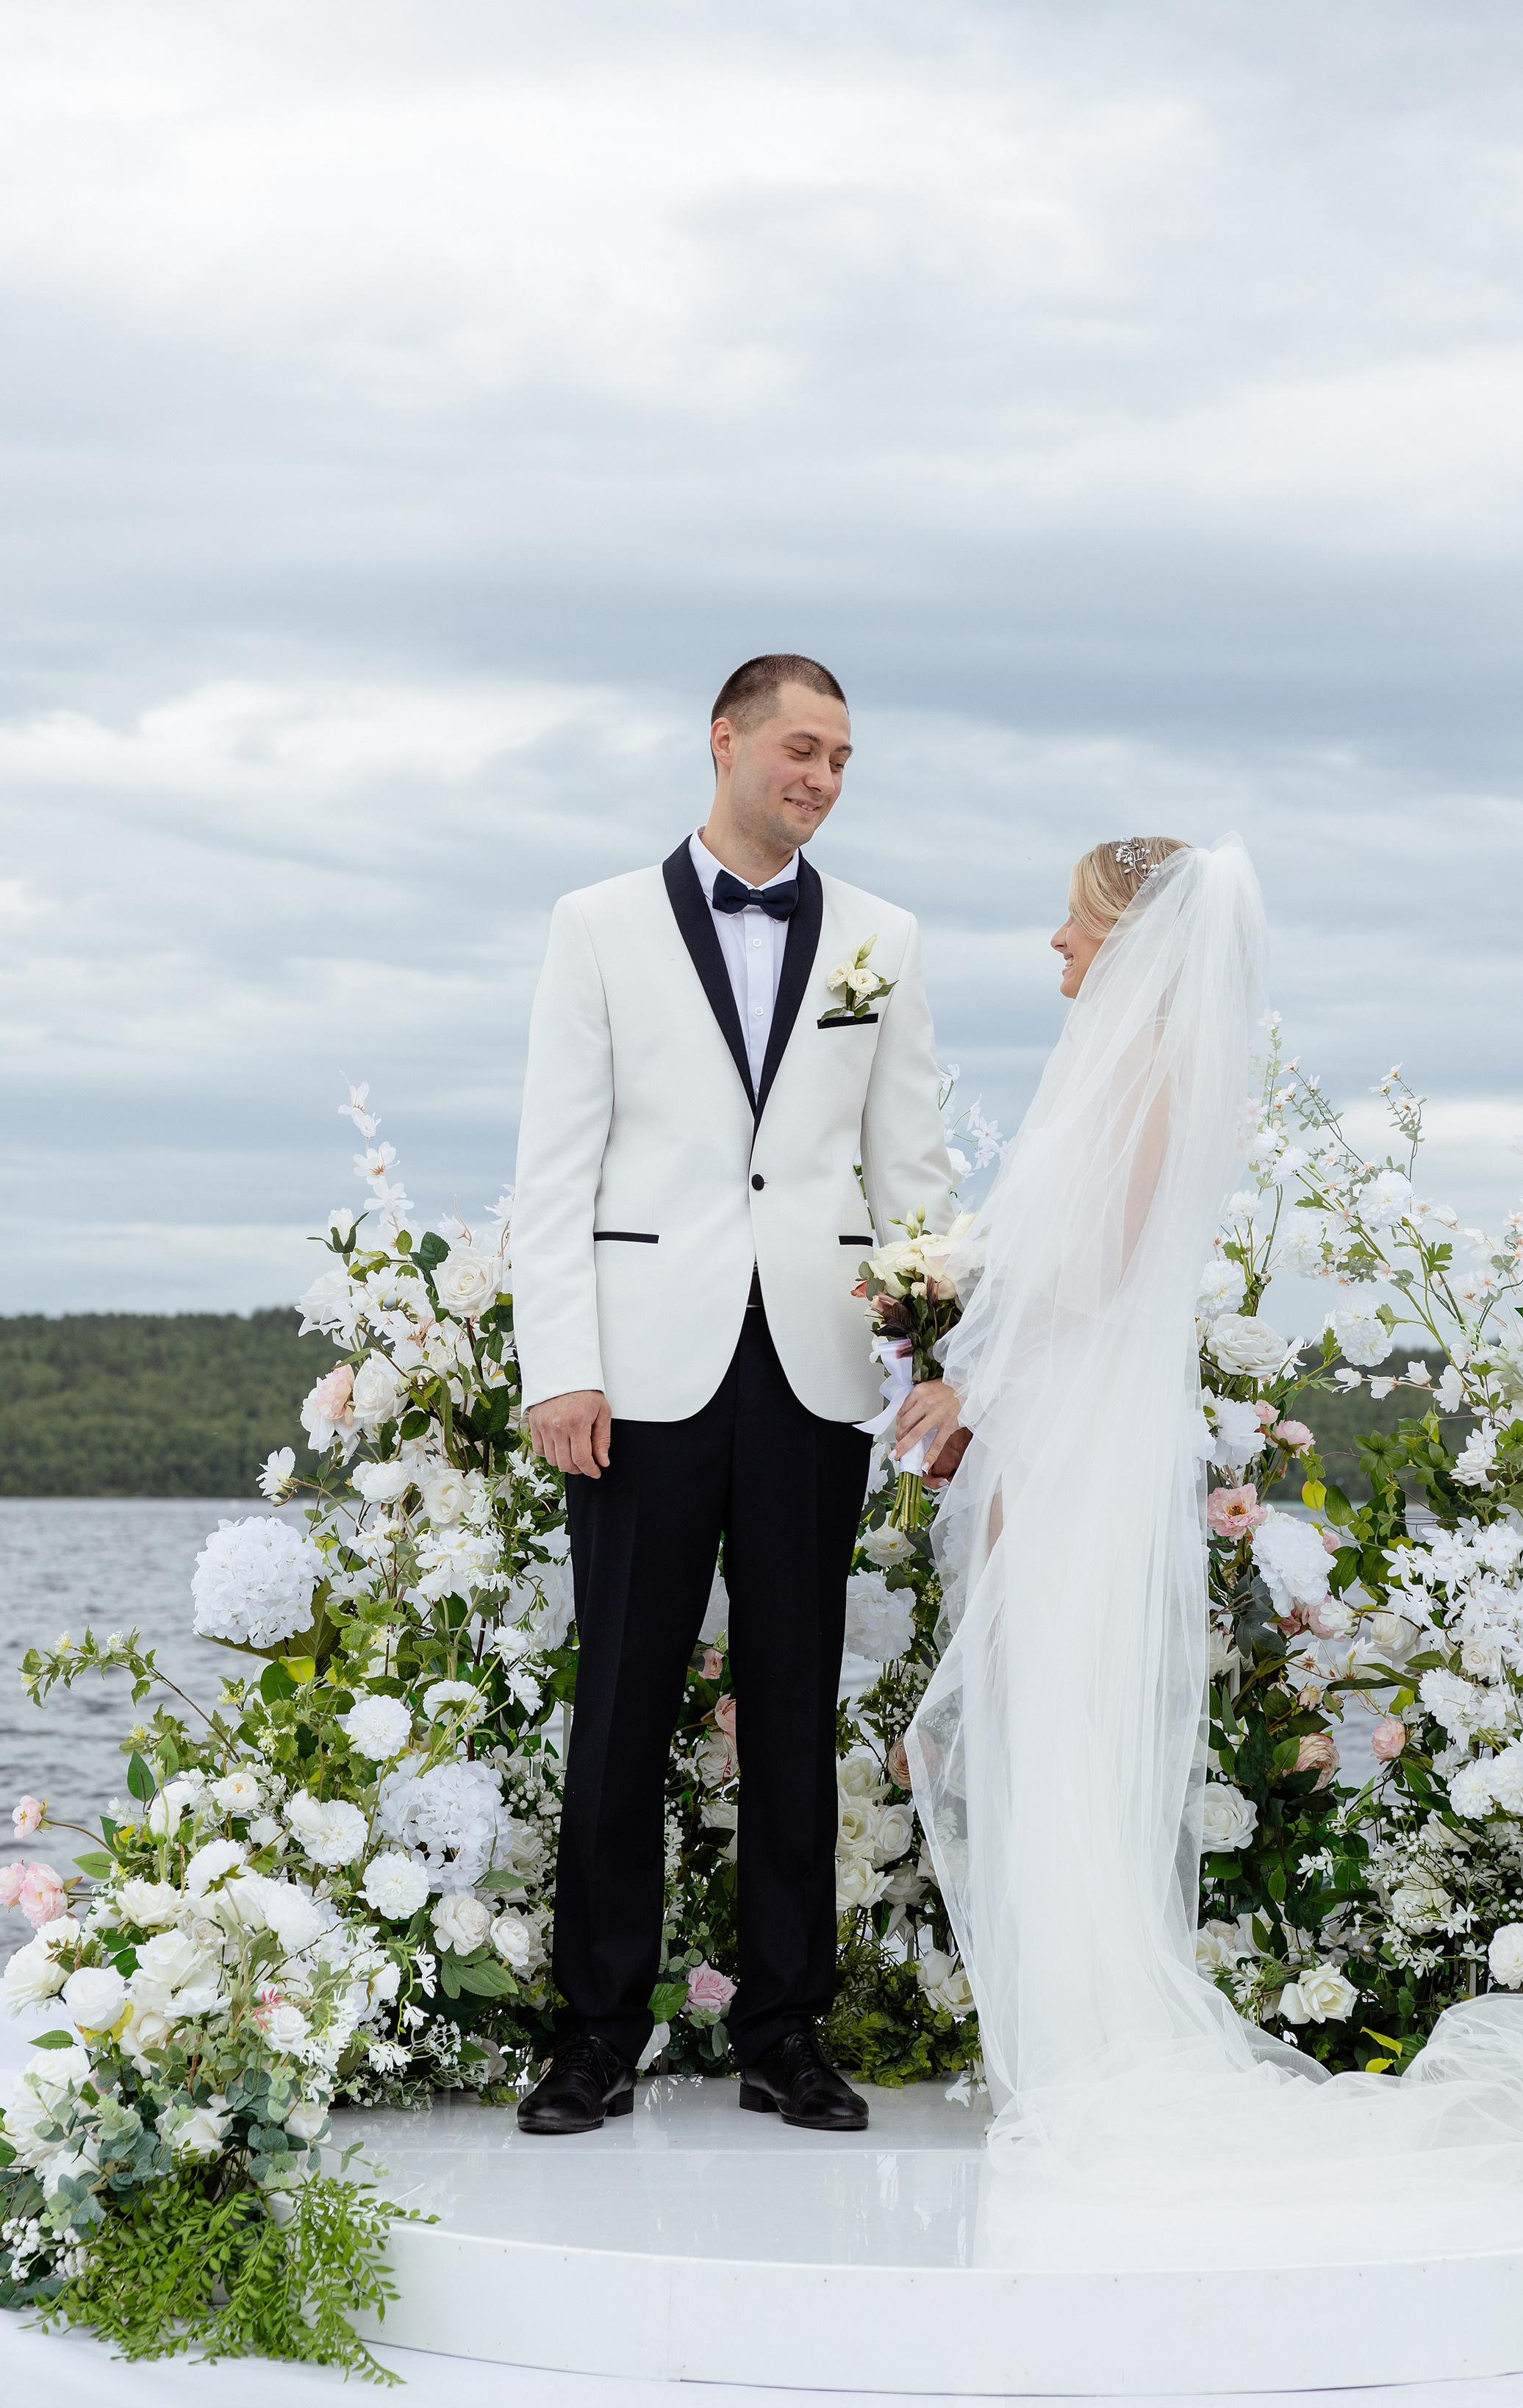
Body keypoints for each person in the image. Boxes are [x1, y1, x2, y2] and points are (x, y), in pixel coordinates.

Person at [894, 835, 1523, 2265]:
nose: (1054, 949)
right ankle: (1063, 2046)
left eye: (1071, 925)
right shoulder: (1134, 1074)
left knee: (1056, 1730)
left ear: (1128, 942)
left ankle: (1088, 2060)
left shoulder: (1142, 1082)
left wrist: (972, 1375)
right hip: (1067, 1442)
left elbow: (1091, 1273)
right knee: (1044, 1728)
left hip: (1070, 1446)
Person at [509, 654, 956, 2136]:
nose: (821, 779)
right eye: (800, 748)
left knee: (790, 1704)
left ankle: (782, 2030)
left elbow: (912, 1172)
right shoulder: (595, 926)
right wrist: (558, 1364)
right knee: (622, 1705)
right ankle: (595, 2034)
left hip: (812, 1371)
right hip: (637, 1371)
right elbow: (552, 1166)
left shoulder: (882, 939)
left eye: (841, 760)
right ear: (724, 739)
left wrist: (938, 1355)